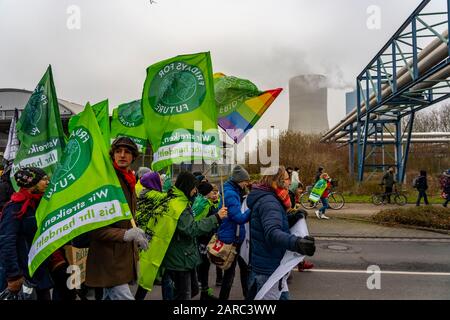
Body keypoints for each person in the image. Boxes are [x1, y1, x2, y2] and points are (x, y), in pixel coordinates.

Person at [85, 137, 149, 300]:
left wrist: (137, 234)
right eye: (118, 151)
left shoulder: (129, 179)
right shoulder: (106, 182)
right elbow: (95, 229)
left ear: (133, 157)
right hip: (108, 261)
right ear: (112, 155)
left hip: (121, 259)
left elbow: (127, 218)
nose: (122, 155)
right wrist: (126, 234)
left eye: (127, 152)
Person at [246, 166, 315, 300]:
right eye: (287, 179)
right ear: (276, 181)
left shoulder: (270, 197)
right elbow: (272, 232)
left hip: (269, 265)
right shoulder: (269, 202)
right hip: (269, 269)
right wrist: (297, 243)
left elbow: (271, 223)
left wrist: (292, 218)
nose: (290, 182)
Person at [161, 172, 227, 300]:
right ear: (187, 186)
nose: (196, 191)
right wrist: (216, 218)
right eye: (194, 187)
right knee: (184, 295)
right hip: (180, 257)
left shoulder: (179, 200)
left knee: (191, 290)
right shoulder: (179, 205)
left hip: (183, 255)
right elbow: (191, 228)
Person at [0, 167, 53, 300]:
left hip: (40, 272)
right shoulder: (15, 207)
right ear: (31, 182)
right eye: (44, 179)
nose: (47, 182)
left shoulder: (40, 204)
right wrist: (14, 276)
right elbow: (7, 242)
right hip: (23, 275)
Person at [217, 165, 251, 300]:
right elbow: (239, 218)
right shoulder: (231, 194)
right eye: (245, 181)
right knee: (231, 274)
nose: (246, 183)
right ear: (238, 180)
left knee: (235, 272)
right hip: (233, 237)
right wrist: (252, 209)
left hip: (233, 234)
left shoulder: (231, 190)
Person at [134, 171, 168, 300]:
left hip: (143, 235)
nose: (162, 182)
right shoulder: (152, 195)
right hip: (148, 237)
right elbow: (168, 199)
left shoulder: (143, 193)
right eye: (160, 180)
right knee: (147, 272)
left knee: (148, 272)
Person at [192, 181, 220, 300]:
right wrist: (217, 214)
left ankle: (204, 290)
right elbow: (201, 222)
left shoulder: (201, 201)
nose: (213, 194)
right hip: (203, 238)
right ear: (206, 193)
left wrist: (216, 202)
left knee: (204, 265)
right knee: (204, 265)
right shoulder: (203, 204)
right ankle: (203, 291)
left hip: (203, 238)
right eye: (211, 192)